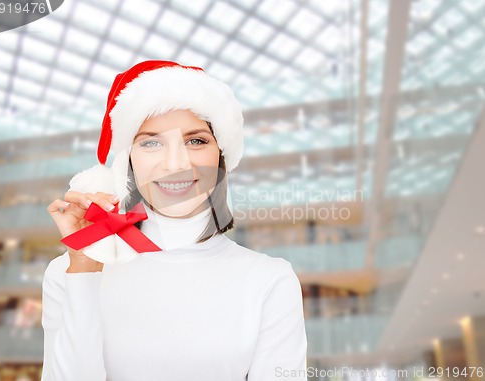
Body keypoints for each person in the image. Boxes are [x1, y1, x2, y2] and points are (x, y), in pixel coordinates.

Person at [41, 60, 308, 381]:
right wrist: (84, 272)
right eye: (151, 142)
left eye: (196, 141)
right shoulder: (68, 273)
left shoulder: (270, 281)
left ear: (220, 155)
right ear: (127, 160)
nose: (176, 163)